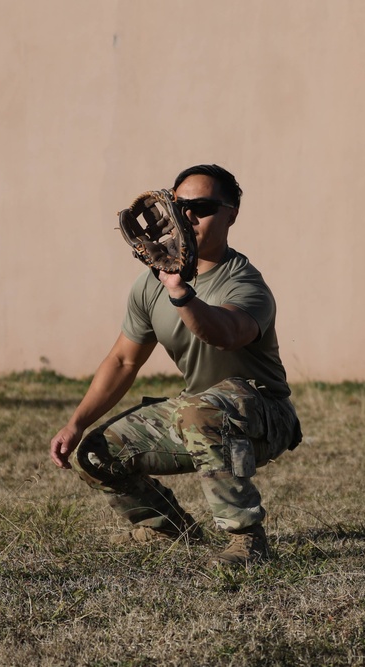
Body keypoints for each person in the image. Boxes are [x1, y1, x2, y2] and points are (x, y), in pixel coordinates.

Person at [49, 164, 302, 566]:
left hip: (263, 414)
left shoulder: (245, 283)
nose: (187, 217)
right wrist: (76, 424)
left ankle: (246, 540)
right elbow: (122, 359)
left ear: (232, 213)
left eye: (201, 207)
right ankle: (166, 527)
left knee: (200, 411)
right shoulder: (152, 282)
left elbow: (225, 333)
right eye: (178, 206)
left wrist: (182, 294)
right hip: (198, 411)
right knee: (95, 453)